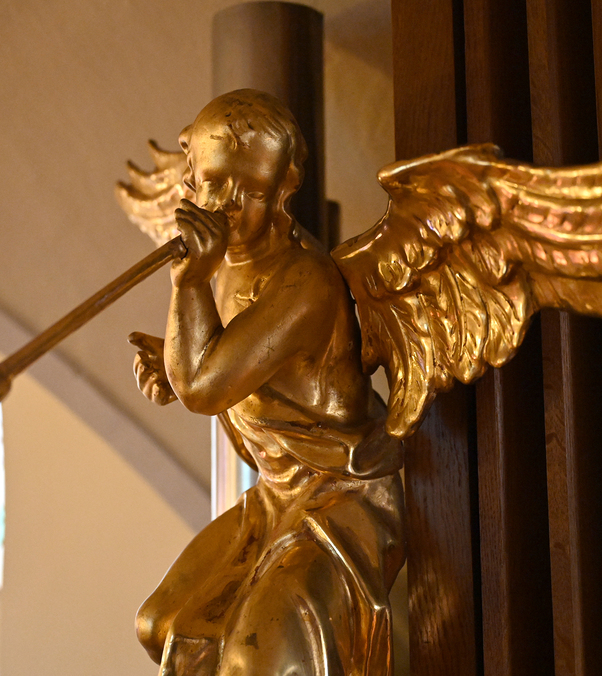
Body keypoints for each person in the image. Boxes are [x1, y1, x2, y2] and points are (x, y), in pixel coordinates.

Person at [129, 89, 404, 676]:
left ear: (283, 189)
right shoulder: (227, 263)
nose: (229, 206)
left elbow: (206, 387)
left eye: (251, 191)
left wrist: (189, 287)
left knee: (252, 658)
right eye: (214, 184)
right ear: (190, 183)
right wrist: (175, 363)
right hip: (275, 493)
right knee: (161, 625)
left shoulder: (305, 281)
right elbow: (222, 368)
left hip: (340, 496)